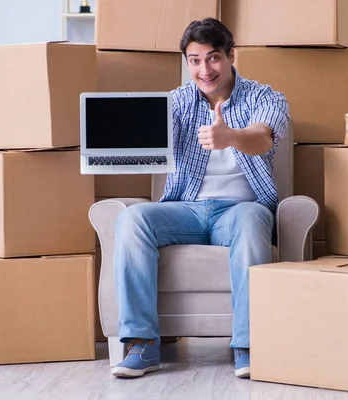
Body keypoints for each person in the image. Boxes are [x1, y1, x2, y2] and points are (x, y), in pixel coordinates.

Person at [111, 17, 290, 379]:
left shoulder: (265, 97)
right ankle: (142, 346)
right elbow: (150, 138)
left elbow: (263, 137)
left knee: (252, 220)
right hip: (185, 209)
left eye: (213, 58)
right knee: (131, 219)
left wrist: (232, 136)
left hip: (240, 209)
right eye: (194, 60)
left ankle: (249, 346)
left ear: (231, 56)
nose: (204, 69)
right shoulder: (177, 101)